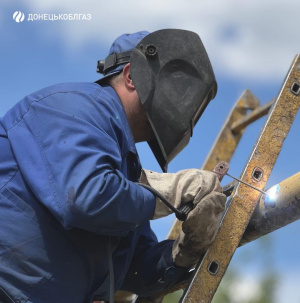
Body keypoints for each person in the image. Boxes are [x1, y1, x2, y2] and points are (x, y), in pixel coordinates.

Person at [0, 29, 226, 303]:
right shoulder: (74, 107)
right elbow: (84, 195)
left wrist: (181, 254)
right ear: (131, 76)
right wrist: (168, 191)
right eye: (179, 89)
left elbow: (133, 267)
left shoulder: (126, 169)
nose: (183, 106)